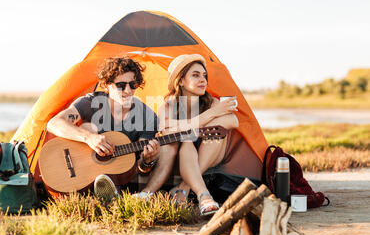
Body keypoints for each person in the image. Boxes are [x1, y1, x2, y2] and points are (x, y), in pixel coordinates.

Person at [47, 56, 160, 201]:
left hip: (121, 175)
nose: (128, 90)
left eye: (133, 84)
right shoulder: (91, 102)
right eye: (121, 85)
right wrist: (88, 137)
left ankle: (108, 193)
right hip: (80, 169)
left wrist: (147, 161)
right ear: (107, 85)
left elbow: (141, 169)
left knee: (123, 163)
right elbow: (54, 123)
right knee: (88, 126)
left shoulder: (147, 116)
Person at [138, 54, 239, 217]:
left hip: (210, 154)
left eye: (204, 75)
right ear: (181, 80)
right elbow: (166, 130)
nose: (203, 80)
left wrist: (185, 126)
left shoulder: (211, 102)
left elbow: (233, 121)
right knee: (186, 142)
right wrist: (211, 115)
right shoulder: (169, 104)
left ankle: (184, 187)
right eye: (195, 75)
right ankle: (204, 196)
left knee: (216, 135)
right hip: (178, 158)